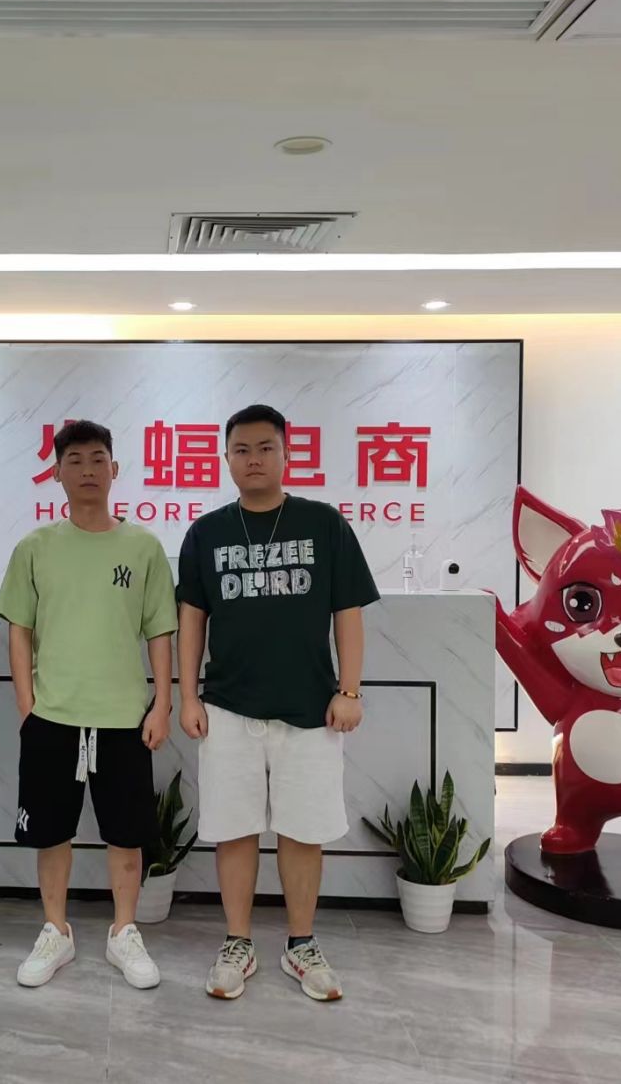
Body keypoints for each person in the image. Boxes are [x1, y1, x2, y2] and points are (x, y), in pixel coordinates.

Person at [176, 404, 379, 1002]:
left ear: (287, 455)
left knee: (303, 831)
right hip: (228, 708)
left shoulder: (325, 524)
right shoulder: (206, 533)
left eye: (266, 448)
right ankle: (237, 943)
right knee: (234, 830)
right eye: (241, 450)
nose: (254, 459)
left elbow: (348, 613)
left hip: (310, 708)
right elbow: (191, 620)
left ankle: (300, 943)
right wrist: (188, 696)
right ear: (226, 459)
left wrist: (349, 690)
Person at [0, 420, 178, 990]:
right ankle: (57, 931)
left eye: (98, 459)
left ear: (115, 469)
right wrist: (26, 705)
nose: (88, 470)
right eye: (74, 460)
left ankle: (124, 931)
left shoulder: (143, 548)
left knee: (127, 835)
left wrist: (162, 703)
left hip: (124, 717)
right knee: (52, 834)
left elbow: (160, 631)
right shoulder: (35, 548)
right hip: (52, 717)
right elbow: (19, 631)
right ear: (57, 473)